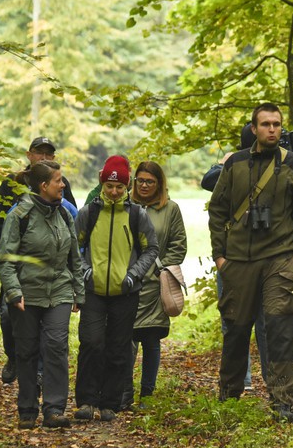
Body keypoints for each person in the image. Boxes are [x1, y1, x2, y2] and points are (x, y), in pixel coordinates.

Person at [207, 102, 293, 423]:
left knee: (280, 331)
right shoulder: (236, 164)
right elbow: (218, 210)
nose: (272, 129)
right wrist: (220, 257)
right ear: (254, 128)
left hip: (281, 261)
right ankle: (229, 396)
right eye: (266, 124)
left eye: (277, 124)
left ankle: (282, 402)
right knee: (236, 332)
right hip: (238, 261)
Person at [0, 160, 84, 429]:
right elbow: (5, 260)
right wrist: (13, 291)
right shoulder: (19, 216)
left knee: (56, 346)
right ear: (44, 186)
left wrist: (79, 291)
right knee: (26, 350)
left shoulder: (65, 214)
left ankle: (54, 409)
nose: (63, 185)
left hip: (59, 290)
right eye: (58, 181)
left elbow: (74, 258)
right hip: (27, 293)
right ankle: (27, 409)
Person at [73, 155, 159, 422]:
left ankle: (110, 403)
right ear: (102, 184)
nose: (113, 191)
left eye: (119, 187)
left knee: (118, 347)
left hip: (126, 292)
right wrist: (85, 271)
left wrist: (134, 275)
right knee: (91, 343)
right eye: (109, 186)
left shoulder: (136, 215)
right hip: (93, 291)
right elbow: (73, 246)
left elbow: (151, 248)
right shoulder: (90, 213)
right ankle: (86, 401)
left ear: (127, 186)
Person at [0, 136, 77, 384]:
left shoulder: (62, 184)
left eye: (49, 154)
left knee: (47, 325)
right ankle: (14, 356)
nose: (45, 158)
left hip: (52, 269)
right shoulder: (13, 183)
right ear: (29, 155)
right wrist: (12, 244)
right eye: (40, 153)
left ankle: (38, 372)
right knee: (8, 315)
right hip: (17, 266)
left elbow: (72, 222)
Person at [202, 140, 268, 391]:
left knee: (264, 321)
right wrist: (226, 162)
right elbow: (208, 181)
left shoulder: (279, 166)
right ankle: (244, 379)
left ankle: (265, 378)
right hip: (233, 255)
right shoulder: (235, 165)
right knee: (235, 320)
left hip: (264, 253)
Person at [121, 161, 187, 409]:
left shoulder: (170, 209)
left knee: (150, 339)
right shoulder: (125, 207)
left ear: (159, 184)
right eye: (140, 181)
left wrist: (160, 269)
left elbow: (178, 245)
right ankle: (124, 392)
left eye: (150, 181)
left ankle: (147, 394)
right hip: (127, 283)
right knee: (125, 339)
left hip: (155, 285)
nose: (145, 185)